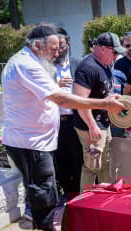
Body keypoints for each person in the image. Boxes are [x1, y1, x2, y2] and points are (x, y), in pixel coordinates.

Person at [1, 25, 125, 231]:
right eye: (53, 48)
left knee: (45, 189)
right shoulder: (26, 65)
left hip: (35, 140)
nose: (57, 53)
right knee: (43, 192)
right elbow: (60, 98)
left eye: (59, 48)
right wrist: (104, 104)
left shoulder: (31, 62)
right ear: (37, 45)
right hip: (30, 143)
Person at [73, 32, 126, 191]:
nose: (117, 56)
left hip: (103, 124)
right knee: (91, 166)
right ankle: (85, 205)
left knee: (105, 163)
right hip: (91, 126)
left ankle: (105, 199)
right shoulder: (87, 68)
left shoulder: (105, 65)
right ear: (103, 49)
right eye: (114, 52)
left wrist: (114, 98)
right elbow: (80, 102)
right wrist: (92, 126)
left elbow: (102, 92)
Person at [53, 27, 83, 202]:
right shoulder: (46, 68)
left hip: (75, 120)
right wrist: (55, 84)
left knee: (77, 158)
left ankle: (78, 194)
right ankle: (66, 193)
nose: (59, 50)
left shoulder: (77, 64)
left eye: (62, 46)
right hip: (55, 123)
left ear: (68, 44)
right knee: (60, 159)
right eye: (56, 47)